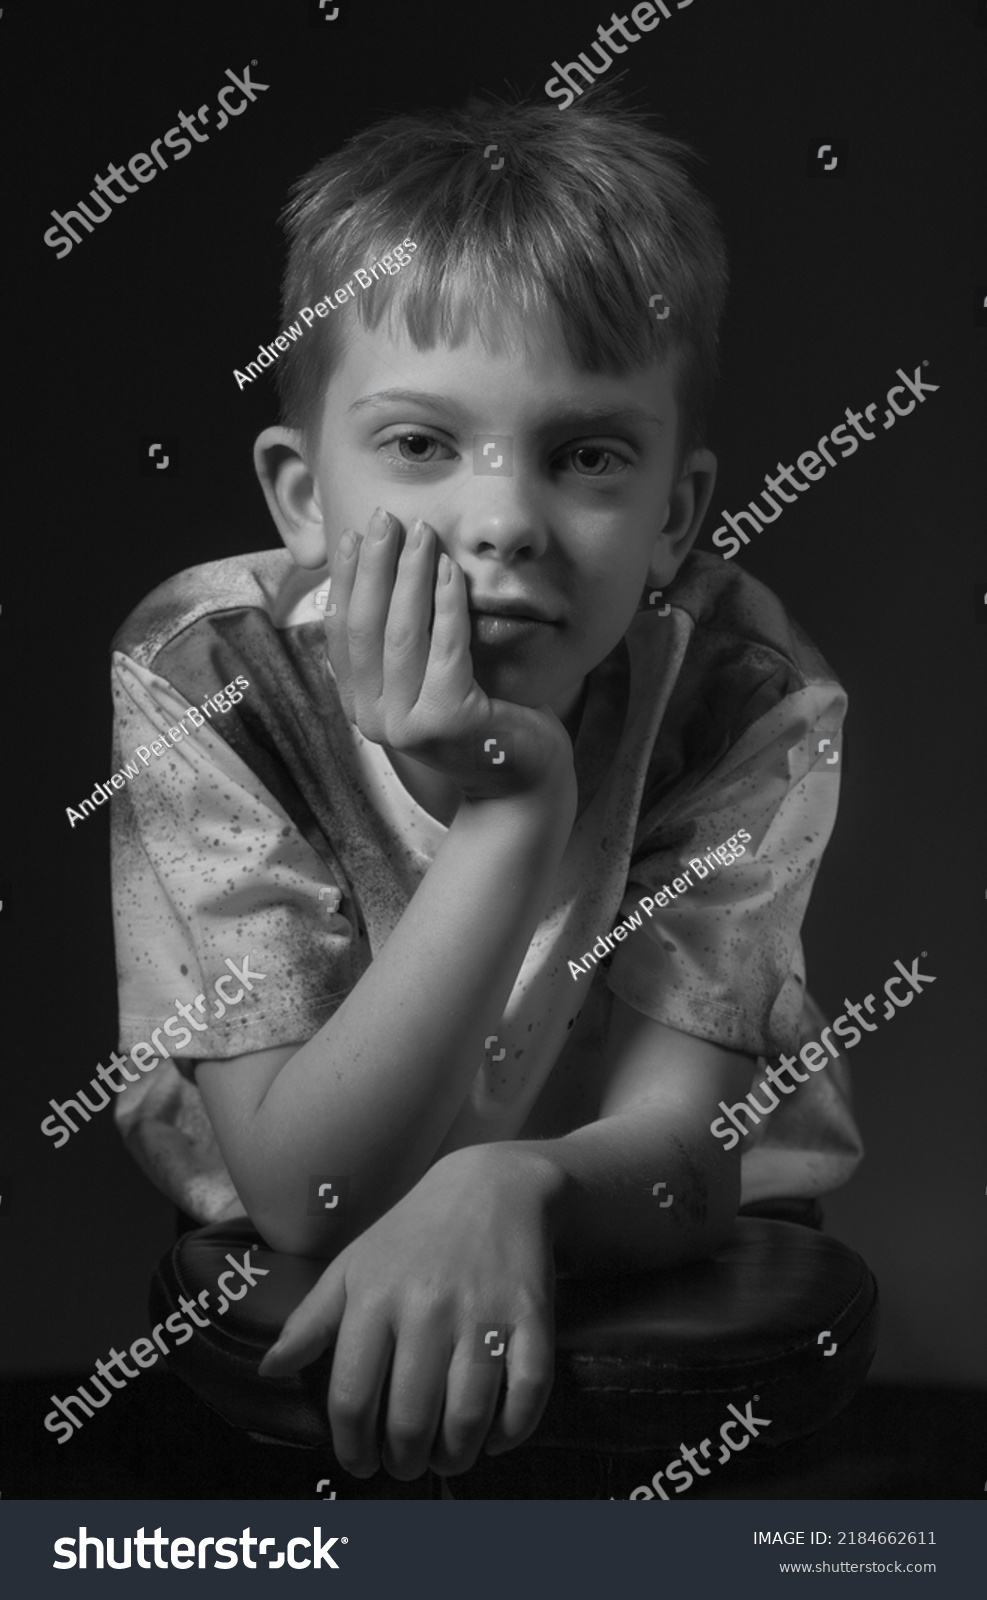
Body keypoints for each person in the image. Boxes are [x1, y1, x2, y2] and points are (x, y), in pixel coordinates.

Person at [110, 89, 862, 1485]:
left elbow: (679, 1155)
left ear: (677, 516)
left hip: (641, 1243)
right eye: (418, 446)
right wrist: (515, 809)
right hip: (303, 1246)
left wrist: (503, 1178)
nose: (503, 520)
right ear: (297, 495)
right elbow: (306, 1190)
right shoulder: (210, 674)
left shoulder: (744, 696)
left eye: (587, 457)